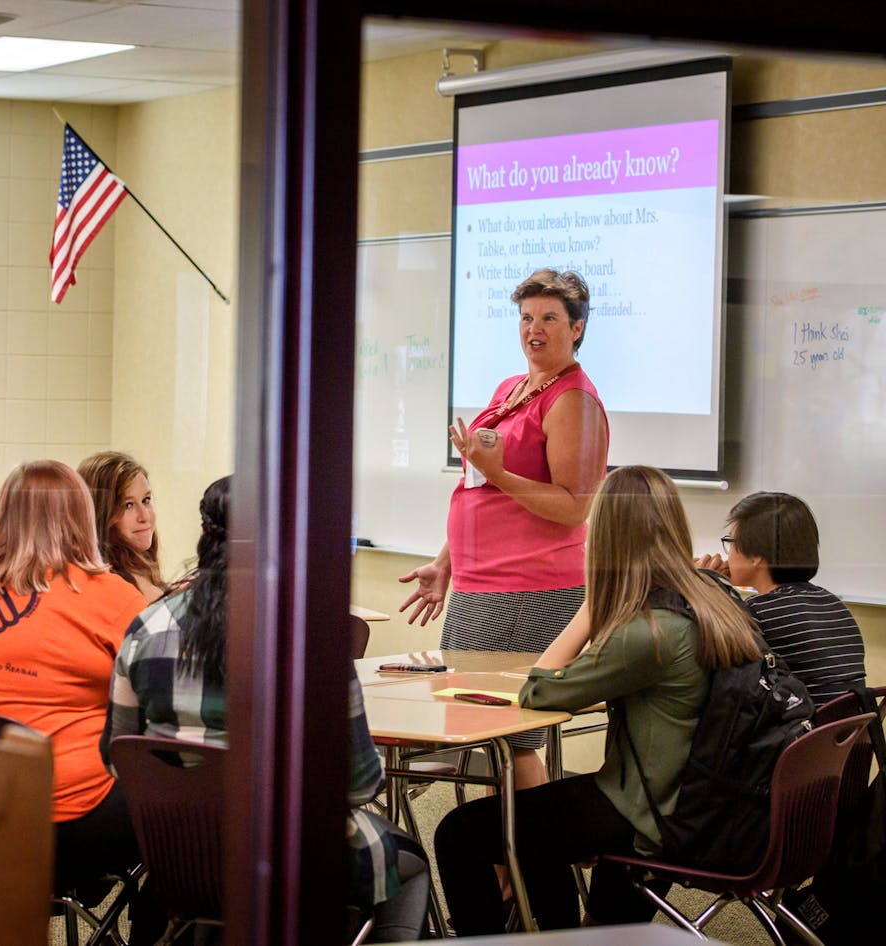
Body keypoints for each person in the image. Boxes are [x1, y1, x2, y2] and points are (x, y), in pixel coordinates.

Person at [434, 465, 763, 933]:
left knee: (459, 833)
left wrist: (588, 610)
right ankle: (557, 933)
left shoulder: (649, 630)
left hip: (647, 810)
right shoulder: (717, 602)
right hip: (702, 800)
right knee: (539, 817)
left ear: (608, 540)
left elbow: (540, 690)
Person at [103, 476, 431, 942]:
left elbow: (118, 753)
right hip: (292, 863)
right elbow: (360, 782)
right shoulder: (312, 634)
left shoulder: (147, 626)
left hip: (182, 862)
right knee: (409, 868)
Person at [0, 460, 155, 941]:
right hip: (63, 824)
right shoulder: (111, 596)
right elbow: (153, 703)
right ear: (82, 518)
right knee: (186, 814)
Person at [397, 268, 608, 788]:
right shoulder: (511, 388)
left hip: (529, 587)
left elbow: (573, 507)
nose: (534, 328)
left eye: (550, 318)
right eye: (526, 317)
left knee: (505, 732)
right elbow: (479, 489)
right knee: (473, 725)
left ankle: (522, 859)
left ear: (577, 328)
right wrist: (447, 562)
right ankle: (497, 857)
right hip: (479, 583)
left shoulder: (574, 401)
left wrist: (499, 472)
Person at [695, 492, 866, 704]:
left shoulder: (758, 612)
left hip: (802, 733)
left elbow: (715, 666)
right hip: (847, 733)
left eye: (732, 543)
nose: (727, 555)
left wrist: (701, 584)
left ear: (757, 556)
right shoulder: (834, 604)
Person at [78, 451, 166, 602]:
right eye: (128, 505)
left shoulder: (139, 568)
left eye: (146, 500)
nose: (144, 516)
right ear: (99, 513)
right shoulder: (114, 583)